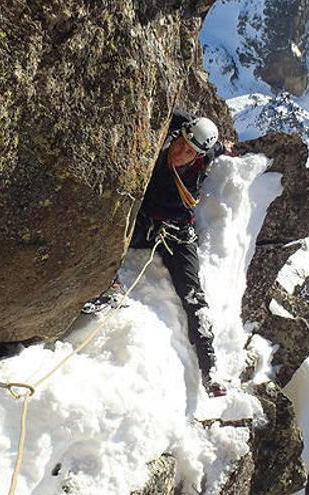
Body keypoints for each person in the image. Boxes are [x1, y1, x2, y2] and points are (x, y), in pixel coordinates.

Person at [87, 110, 233, 397]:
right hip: (146, 223)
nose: (179, 152)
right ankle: (110, 285)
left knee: (193, 294)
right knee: (110, 237)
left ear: (198, 156)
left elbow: (214, 148)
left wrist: (224, 147)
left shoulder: (204, 156)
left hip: (178, 232)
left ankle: (210, 368)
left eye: (188, 152)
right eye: (180, 144)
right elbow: (169, 113)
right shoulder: (170, 141)